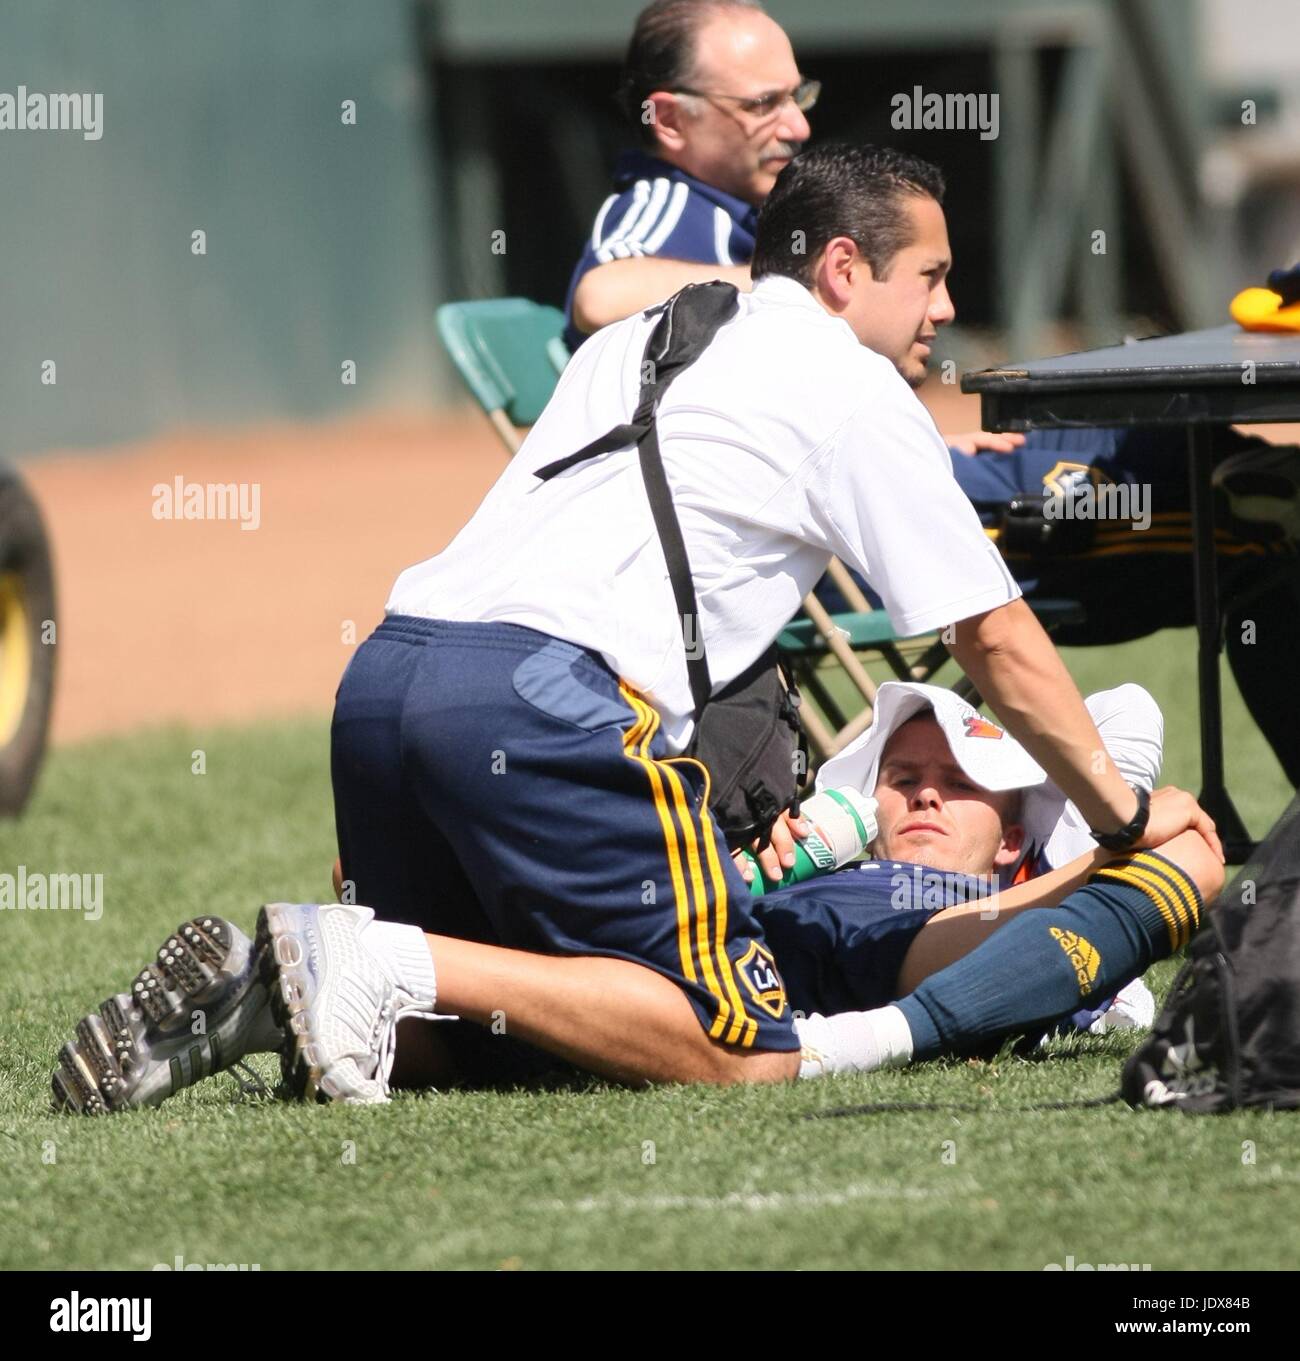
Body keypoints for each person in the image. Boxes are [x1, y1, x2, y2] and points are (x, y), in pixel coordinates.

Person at [51, 142, 1223, 1113]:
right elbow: (996, 642)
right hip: (542, 700)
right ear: (843, 269)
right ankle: (363, 956)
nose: (950, 309)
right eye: (931, 275)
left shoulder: (635, 340)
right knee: (736, 1044)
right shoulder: (852, 387)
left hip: (389, 676)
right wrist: (1120, 819)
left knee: (522, 1034)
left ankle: (272, 989)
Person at [567, 0, 1300, 785]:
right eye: (762, 104)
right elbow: (601, 294)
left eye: (797, 96)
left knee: (1189, 454)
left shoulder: (750, 210)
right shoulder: (665, 208)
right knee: (1245, 515)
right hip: (837, 524)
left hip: (888, 469)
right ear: (670, 119)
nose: (797, 125)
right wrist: (788, 283)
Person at [51, 684, 1220, 1109]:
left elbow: (1125, 725)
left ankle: (258, 1006)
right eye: (898, 776)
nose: (917, 797)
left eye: (954, 787)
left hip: (726, 954)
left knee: (500, 1053)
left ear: (1014, 832)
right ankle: (360, 954)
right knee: (701, 1042)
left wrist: (1093, 838)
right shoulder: (887, 877)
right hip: (753, 950)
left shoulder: (998, 881)